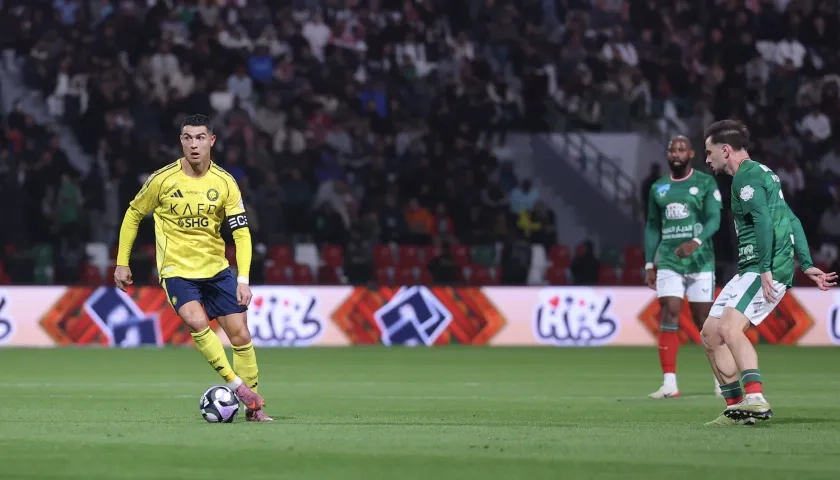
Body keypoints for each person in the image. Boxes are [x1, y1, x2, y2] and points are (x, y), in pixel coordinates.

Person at [113, 114, 273, 422]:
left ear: (212, 140)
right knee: (197, 321)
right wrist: (122, 262)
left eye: (200, 137)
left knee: (240, 336)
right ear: (181, 142)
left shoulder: (225, 182)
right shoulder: (163, 179)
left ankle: (254, 413)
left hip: (216, 269)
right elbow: (133, 215)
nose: (194, 144)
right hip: (177, 269)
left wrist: (243, 279)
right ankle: (238, 387)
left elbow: (241, 233)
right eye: (188, 137)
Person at [702, 119, 837, 425]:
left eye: (709, 152)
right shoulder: (764, 174)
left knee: (729, 329)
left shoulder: (745, 179)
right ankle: (737, 409)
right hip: (755, 266)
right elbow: (792, 219)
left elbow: (764, 222)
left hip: (764, 265)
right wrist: (807, 262)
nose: (707, 159)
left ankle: (756, 398)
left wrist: (765, 269)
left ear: (725, 150)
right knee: (711, 334)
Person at [644, 136, 723, 399]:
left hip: (701, 261)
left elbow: (715, 218)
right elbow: (653, 226)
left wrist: (696, 241)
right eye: (672, 150)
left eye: (681, 149)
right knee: (670, 311)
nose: (676, 153)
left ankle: (720, 379)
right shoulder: (659, 188)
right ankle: (669, 384)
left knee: (703, 320)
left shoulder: (705, 182)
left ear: (690, 154)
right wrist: (648, 262)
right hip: (669, 260)